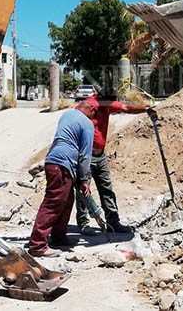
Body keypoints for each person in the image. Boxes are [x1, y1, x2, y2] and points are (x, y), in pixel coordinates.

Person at [76, 92, 152, 235]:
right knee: (84, 190)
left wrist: (145, 109)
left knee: (107, 189)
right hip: (86, 155)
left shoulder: (108, 103)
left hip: (101, 155)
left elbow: (126, 108)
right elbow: (75, 122)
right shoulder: (86, 106)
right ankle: (84, 224)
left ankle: (113, 222)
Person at [28, 100, 96, 258]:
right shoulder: (87, 124)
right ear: (91, 110)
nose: (94, 118)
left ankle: (58, 237)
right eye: (94, 114)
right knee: (53, 202)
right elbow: (85, 156)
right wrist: (85, 180)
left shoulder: (67, 114)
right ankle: (37, 245)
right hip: (62, 164)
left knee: (66, 200)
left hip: (53, 160)